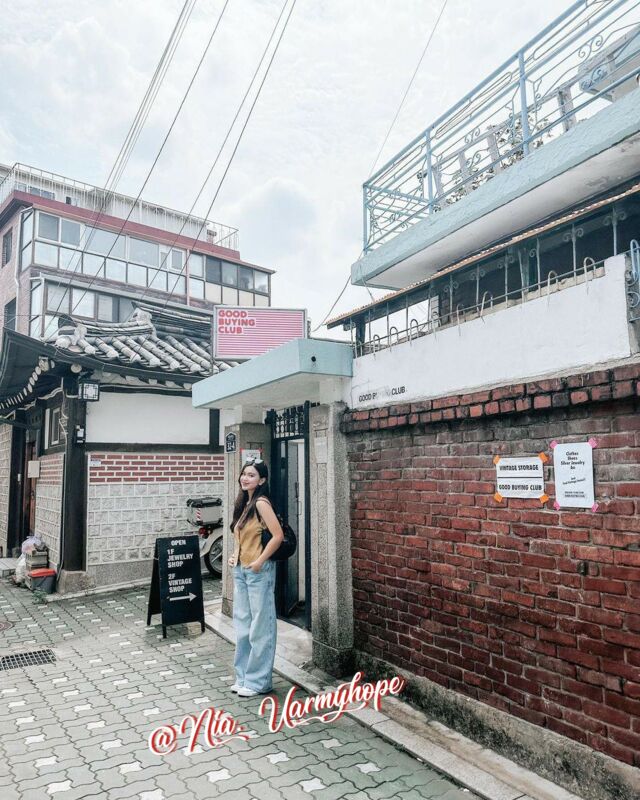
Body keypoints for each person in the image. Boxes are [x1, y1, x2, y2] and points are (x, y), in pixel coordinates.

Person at [227, 458, 284, 697]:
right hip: (241, 570)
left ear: (261, 480)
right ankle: (243, 677)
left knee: (261, 627)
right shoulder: (244, 503)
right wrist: (234, 556)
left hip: (258, 571)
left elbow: (277, 536)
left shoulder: (261, 503)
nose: (245, 478)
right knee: (242, 626)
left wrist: (260, 561)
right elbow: (242, 535)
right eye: (244, 474)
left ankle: (259, 682)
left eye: (251, 475)